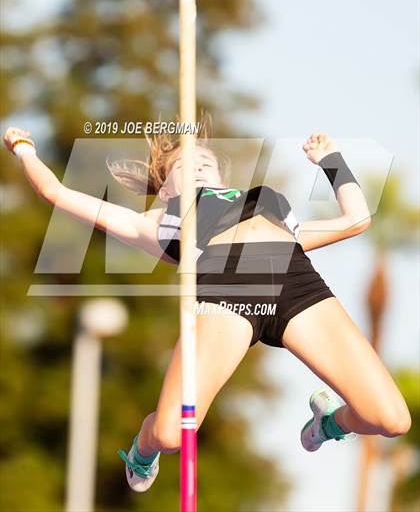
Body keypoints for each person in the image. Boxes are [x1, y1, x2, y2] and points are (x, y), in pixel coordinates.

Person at [3, 122, 411, 494]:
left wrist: (330, 161)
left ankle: (328, 423)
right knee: (169, 435)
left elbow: (357, 218)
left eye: (206, 162)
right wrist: (24, 149)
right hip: (225, 296)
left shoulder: (271, 210)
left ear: (221, 175)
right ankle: (144, 449)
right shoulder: (156, 222)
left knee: (391, 419)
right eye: (184, 164)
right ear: (165, 189)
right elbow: (55, 193)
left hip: (295, 284)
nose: (198, 166)